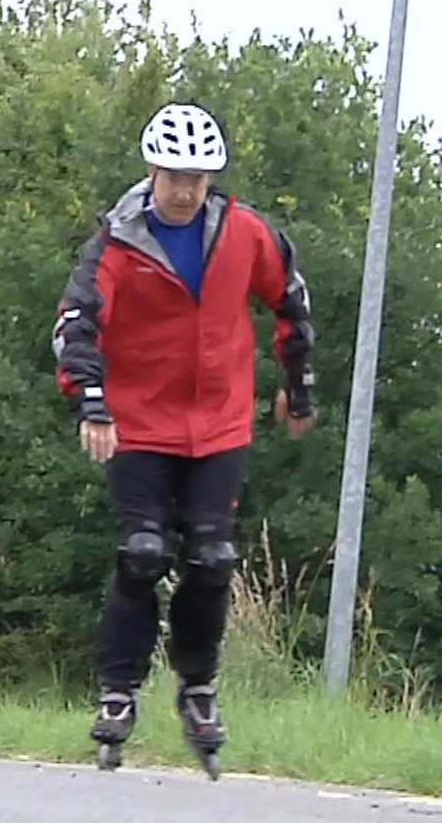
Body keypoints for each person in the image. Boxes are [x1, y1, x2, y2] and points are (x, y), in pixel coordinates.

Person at [51, 102, 316, 774]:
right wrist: (91, 401)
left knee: (212, 558)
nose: (186, 190)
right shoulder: (118, 241)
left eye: (199, 177)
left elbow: (290, 298)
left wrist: (299, 384)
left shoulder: (243, 232)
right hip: (137, 422)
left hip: (220, 422)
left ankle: (198, 686)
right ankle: (118, 690)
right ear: (152, 169)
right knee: (141, 553)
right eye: (174, 175)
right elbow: (76, 322)